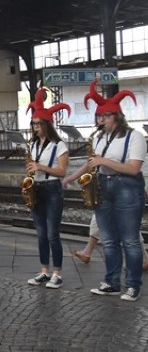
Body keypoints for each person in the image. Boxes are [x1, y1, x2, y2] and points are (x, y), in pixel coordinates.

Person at [77, 81, 146, 301]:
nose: (101, 120)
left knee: (130, 240)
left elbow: (134, 168)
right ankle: (112, 283)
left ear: (117, 116)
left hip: (127, 187)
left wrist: (103, 160)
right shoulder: (99, 138)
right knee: (108, 240)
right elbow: (92, 162)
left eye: (106, 116)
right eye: (99, 116)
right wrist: (73, 177)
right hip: (103, 186)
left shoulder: (134, 137)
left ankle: (133, 285)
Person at [23, 89, 71, 289]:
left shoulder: (59, 145)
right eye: (33, 123)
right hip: (37, 189)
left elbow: (61, 172)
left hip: (52, 189)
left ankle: (57, 273)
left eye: (38, 123)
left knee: (52, 234)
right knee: (41, 234)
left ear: (47, 124)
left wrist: (40, 167)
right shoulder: (32, 144)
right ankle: (44, 270)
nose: (35, 127)